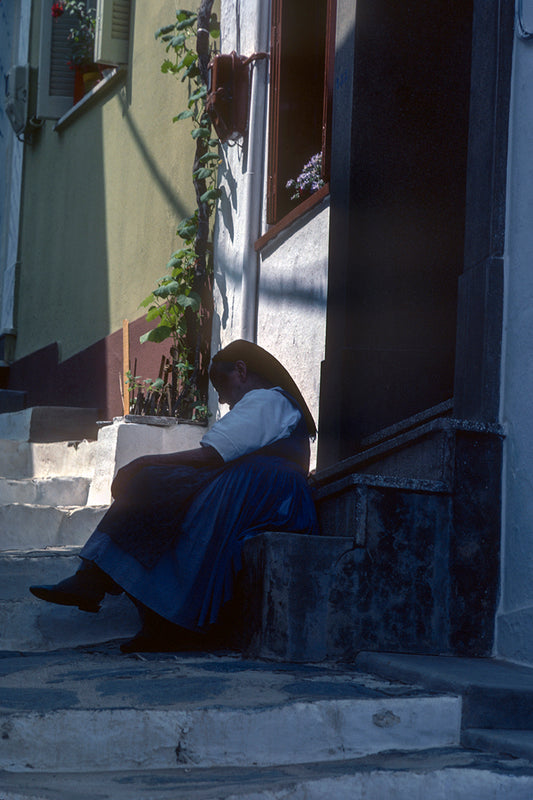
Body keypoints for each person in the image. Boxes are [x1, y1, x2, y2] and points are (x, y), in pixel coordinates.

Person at [30, 340, 319, 652]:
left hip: (265, 493)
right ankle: (105, 586)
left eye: (222, 386)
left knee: (152, 482)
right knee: (157, 495)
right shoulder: (273, 404)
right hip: (256, 488)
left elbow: (212, 455)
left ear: (241, 371)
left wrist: (145, 461)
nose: (222, 399)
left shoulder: (268, 400)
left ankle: (102, 584)